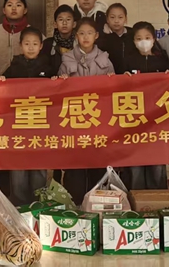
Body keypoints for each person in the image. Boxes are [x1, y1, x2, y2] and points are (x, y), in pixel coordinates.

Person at [57, 17, 115, 205]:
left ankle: (98, 206)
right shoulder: (67, 59)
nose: (86, 37)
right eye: (81, 33)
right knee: (75, 167)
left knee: (98, 164)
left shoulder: (105, 59)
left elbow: (115, 93)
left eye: (89, 33)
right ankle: (74, 207)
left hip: (99, 122)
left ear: (96, 35)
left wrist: (113, 80)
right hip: (75, 121)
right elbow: (57, 92)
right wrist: (60, 81)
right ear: (76, 36)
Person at [0, 27, 53, 205]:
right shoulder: (13, 67)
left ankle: (39, 204)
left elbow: (59, 93)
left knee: (39, 165)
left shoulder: (48, 68)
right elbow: (1, 90)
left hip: (41, 124)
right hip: (18, 125)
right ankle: (19, 206)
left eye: (35, 44)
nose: (31, 47)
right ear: (20, 45)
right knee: (18, 166)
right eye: (27, 44)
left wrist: (57, 82)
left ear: (41, 46)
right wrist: (0, 82)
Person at [121, 22, 169, 190]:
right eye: (139, 38)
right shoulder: (128, 60)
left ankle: (157, 200)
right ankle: (136, 199)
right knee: (136, 163)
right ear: (133, 41)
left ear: (154, 39)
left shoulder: (162, 60)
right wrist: (122, 78)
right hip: (135, 120)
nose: (143, 41)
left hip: (158, 119)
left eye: (147, 38)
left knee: (157, 163)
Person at [0, 0, 31, 78]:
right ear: (4, 10)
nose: (14, 8)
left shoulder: (34, 34)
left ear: (25, 10)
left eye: (18, 5)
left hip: (26, 84)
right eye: (10, 5)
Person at [40, 5, 76, 74]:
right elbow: (42, 69)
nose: (64, 23)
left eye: (68, 19)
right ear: (55, 24)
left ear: (74, 24)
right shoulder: (47, 44)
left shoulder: (79, 43)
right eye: (61, 20)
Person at [98, 3, 133, 74]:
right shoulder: (101, 37)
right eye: (112, 17)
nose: (116, 21)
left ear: (126, 19)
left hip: (129, 75)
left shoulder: (132, 34)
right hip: (108, 75)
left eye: (120, 17)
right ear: (107, 19)